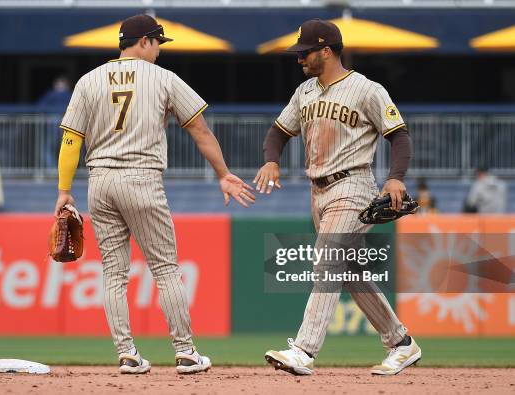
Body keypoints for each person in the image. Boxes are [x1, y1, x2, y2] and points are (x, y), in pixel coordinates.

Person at [54, 14, 254, 375]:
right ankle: (185, 351)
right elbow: (200, 131)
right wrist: (223, 174)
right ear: (144, 41)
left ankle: (127, 354)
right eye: (158, 43)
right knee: (165, 269)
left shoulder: (88, 80)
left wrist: (64, 190)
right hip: (141, 177)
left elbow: (71, 139)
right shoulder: (164, 78)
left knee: (113, 273)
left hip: (99, 181)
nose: (160, 51)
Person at [255, 19, 420, 376]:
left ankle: (304, 350)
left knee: (327, 260)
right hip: (317, 191)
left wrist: (395, 179)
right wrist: (271, 160)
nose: (299, 58)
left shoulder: (366, 89)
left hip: (354, 185)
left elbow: (400, 135)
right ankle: (401, 344)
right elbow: (278, 132)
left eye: (305, 52)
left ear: (326, 51)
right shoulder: (305, 93)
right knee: (349, 272)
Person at [38, 76, 73, 169]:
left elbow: (40, 107)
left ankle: (54, 169)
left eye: (61, 84)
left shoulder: (68, 95)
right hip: (63, 123)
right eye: (58, 84)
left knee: (51, 147)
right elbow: (40, 107)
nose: (60, 86)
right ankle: (61, 169)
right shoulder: (53, 94)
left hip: (60, 122)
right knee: (64, 147)